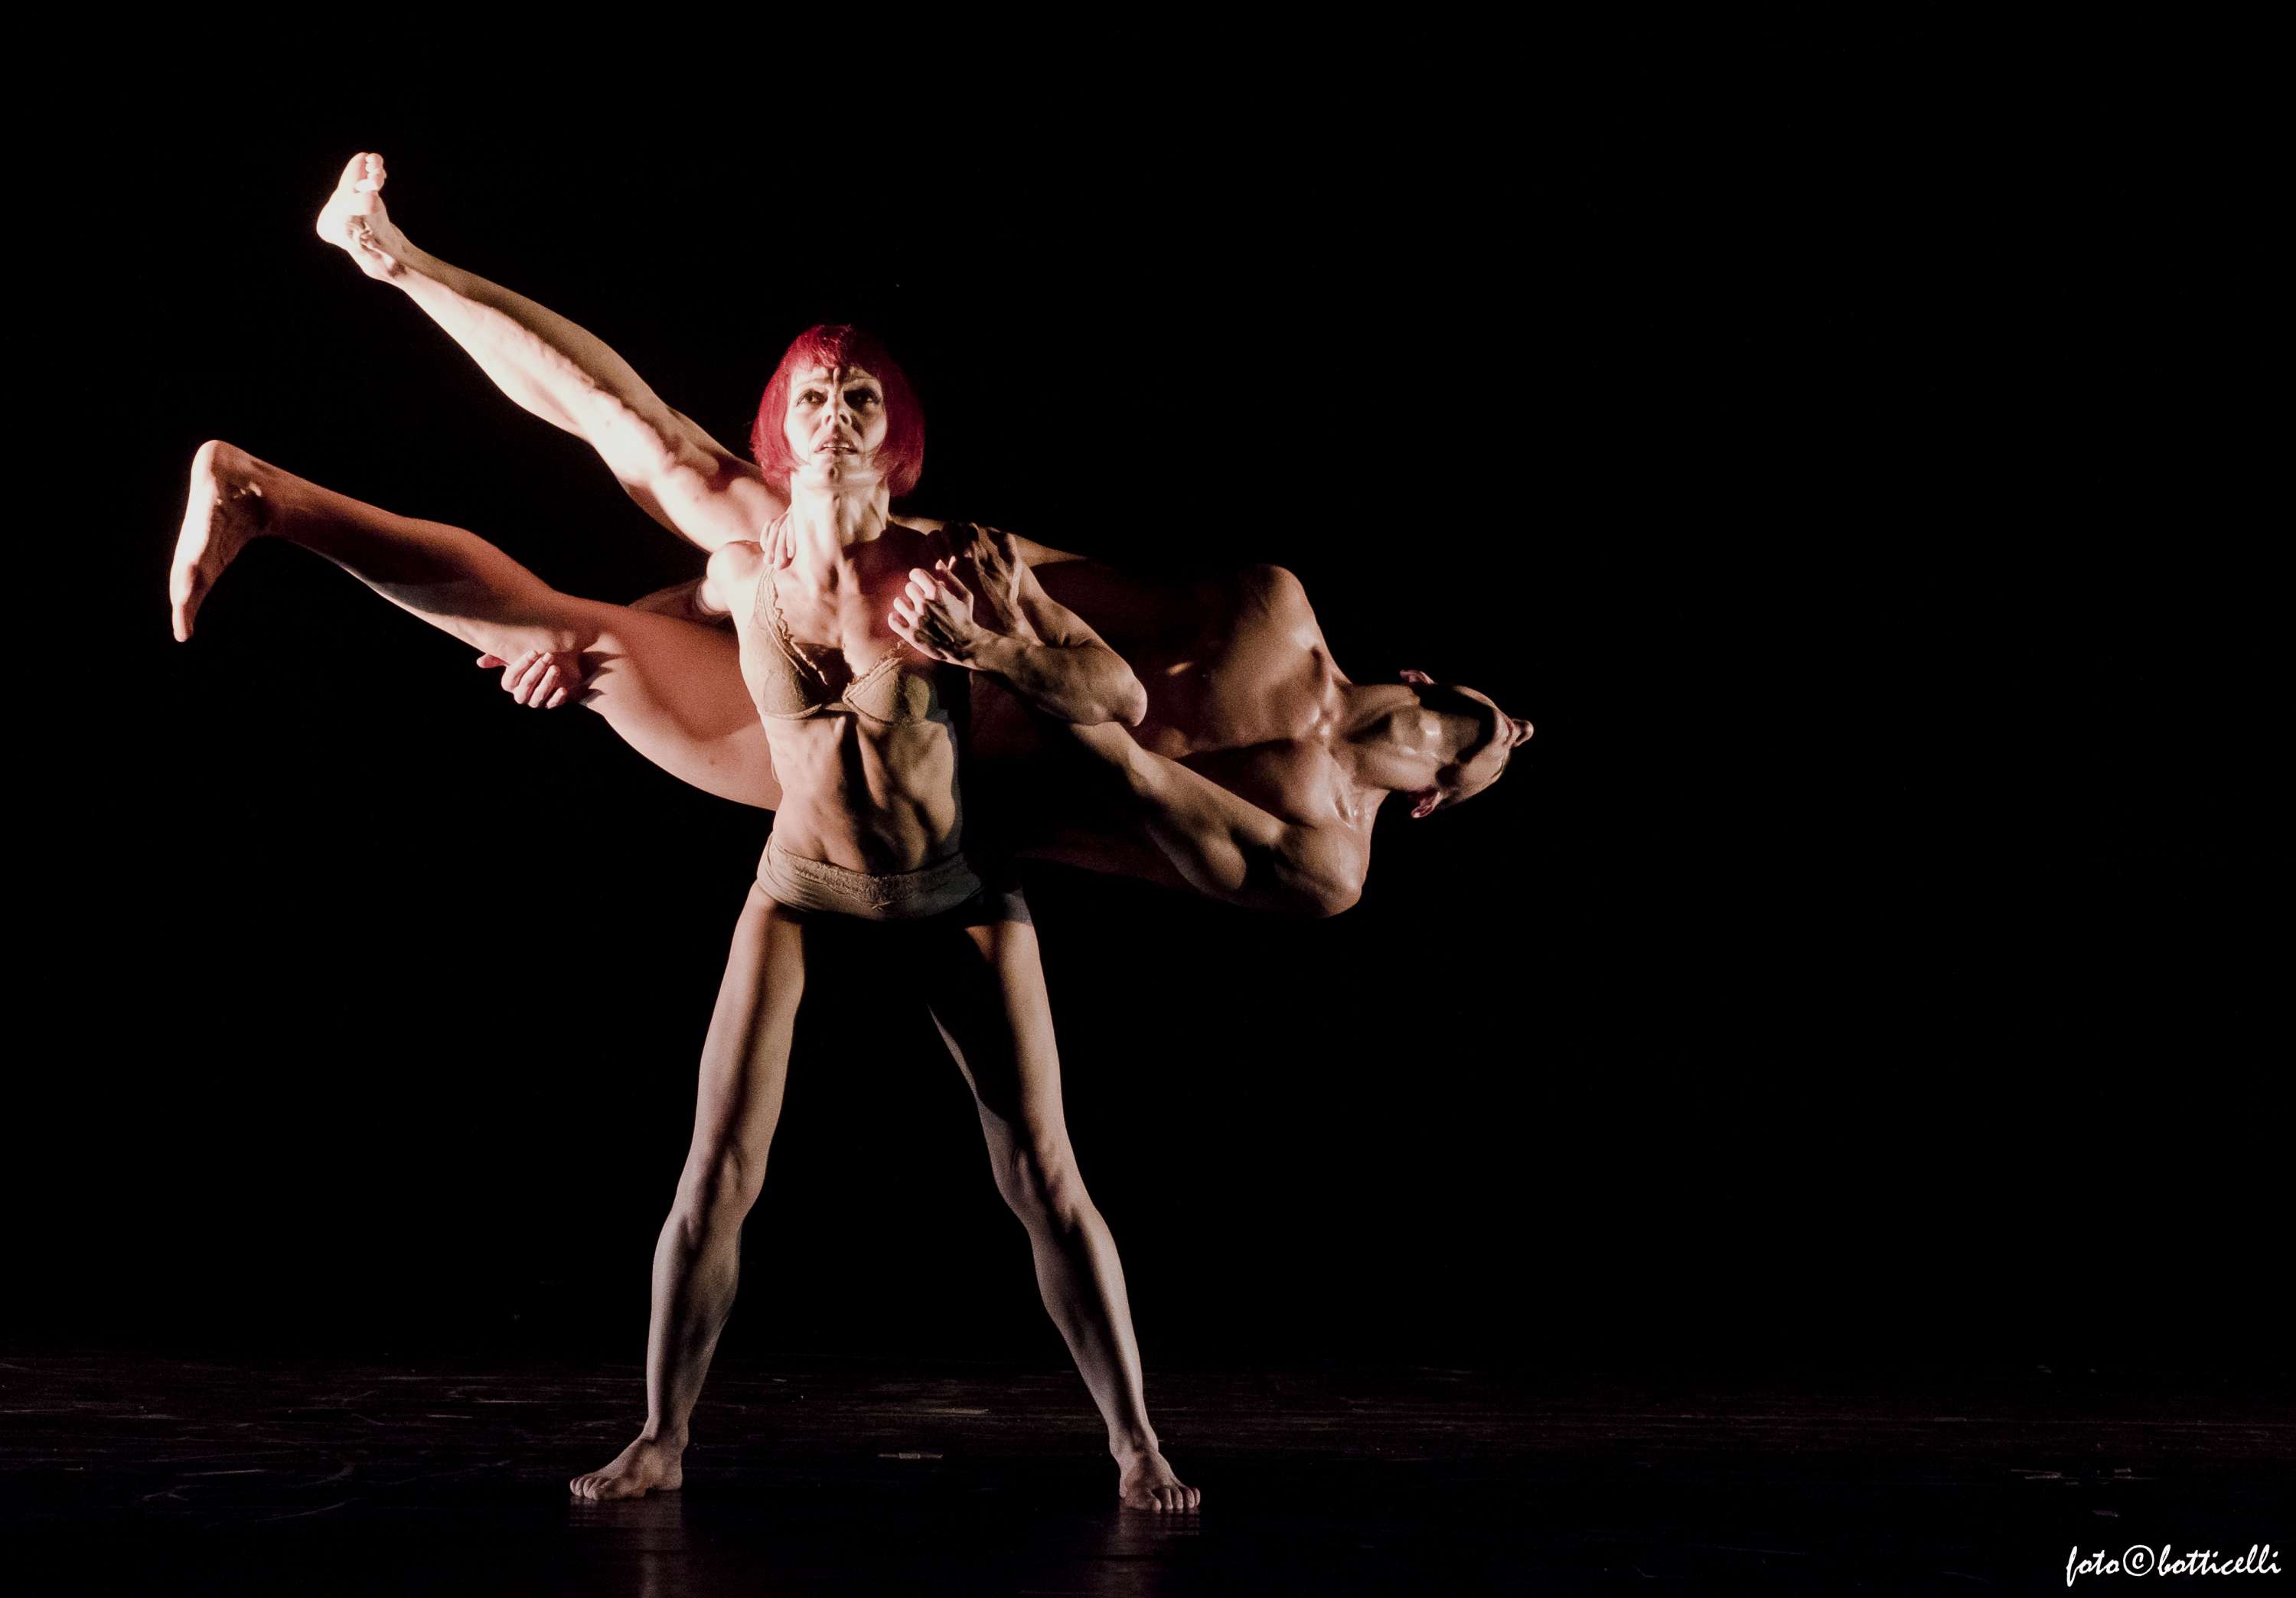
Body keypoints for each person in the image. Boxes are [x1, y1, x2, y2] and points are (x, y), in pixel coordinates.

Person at [166, 322, 1202, 1510]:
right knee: (715, 1172)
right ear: (779, 427)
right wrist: (558, 669)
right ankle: (660, 1436)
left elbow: (1115, 692)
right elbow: (656, 619)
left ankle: (1137, 1446)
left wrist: (1000, 645)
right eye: (812, 394)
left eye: (861, 395)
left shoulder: (959, 561)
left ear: (895, 434)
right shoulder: (745, 569)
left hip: (953, 889)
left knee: (1044, 1177)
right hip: (801, 884)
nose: (835, 412)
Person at [291, 153, 1534, 918]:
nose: (1475, 735)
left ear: (1433, 804)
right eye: (1464, 714)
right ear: (1422, 677)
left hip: (902, 792)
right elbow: (1028, 565)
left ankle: (276, 501)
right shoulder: (1276, 602)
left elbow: (1123, 764)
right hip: (904, 606)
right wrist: (814, 560)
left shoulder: (1328, 861)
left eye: (1468, 755)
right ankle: (388, 257)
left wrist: (1010, 663)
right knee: (675, 456)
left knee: (579, 644)